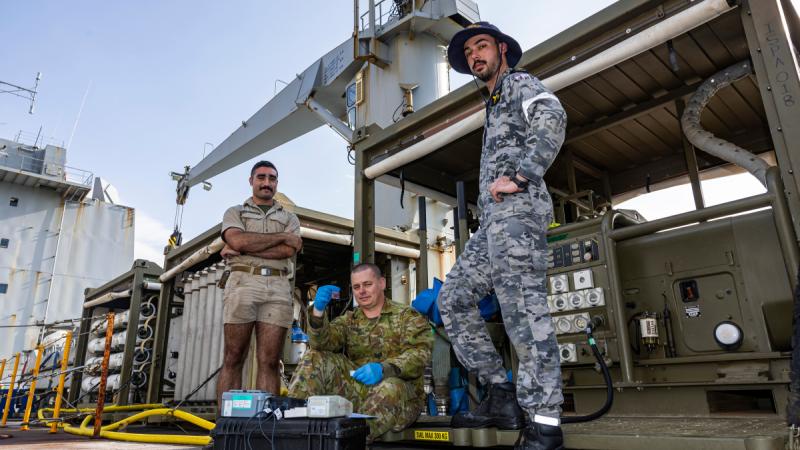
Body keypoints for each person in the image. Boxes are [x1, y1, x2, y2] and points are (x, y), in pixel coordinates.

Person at [439, 22, 568, 450]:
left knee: (524, 315)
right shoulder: (493, 104)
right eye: (469, 52)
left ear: (502, 50)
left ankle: (545, 424)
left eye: (481, 46)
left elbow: (553, 116)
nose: (475, 55)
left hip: (519, 218)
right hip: (493, 226)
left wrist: (523, 175)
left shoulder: (518, 83)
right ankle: (501, 392)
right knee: (453, 297)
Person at [288, 263, 433, 441]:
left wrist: (384, 369)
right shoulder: (350, 319)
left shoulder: (407, 316)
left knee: (390, 386)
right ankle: (292, 432)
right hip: (359, 391)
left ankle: (349, 442)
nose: (362, 291)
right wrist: (318, 311)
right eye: (356, 287)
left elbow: (420, 355)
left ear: (382, 283)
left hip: (401, 394)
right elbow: (322, 344)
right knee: (314, 357)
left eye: (367, 284)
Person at [217, 160, 303, 407]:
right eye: (261, 177)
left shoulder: (290, 217)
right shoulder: (234, 212)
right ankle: (225, 428)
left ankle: (267, 427)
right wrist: (281, 237)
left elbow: (287, 251)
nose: (267, 182)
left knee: (270, 360)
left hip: (277, 288)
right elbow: (237, 239)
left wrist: (243, 247)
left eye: (272, 178)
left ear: (277, 182)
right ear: (251, 180)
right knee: (233, 357)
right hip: (242, 283)